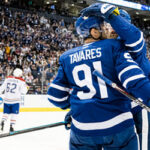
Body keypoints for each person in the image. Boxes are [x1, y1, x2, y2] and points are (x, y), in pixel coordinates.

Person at [47, 14, 150, 150]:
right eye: (106, 26)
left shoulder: (68, 56)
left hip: (136, 108)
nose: (110, 30)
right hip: (120, 118)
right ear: (95, 32)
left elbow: (55, 97)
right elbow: (136, 83)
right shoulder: (113, 46)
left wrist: (79, 109)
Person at [80, 3, 150, 150]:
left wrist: (109, 13)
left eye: (114, 24)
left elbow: (132, 35)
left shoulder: (133, 44)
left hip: (141, 105)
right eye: (108, 25)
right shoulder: (107, 50)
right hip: (120, 111)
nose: (111, 29)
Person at [0, 68, 28, 132]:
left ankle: (3, 120)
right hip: (15, 100)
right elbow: (24, 91)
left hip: (6, 99)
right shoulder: (21, 81)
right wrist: (26, 87)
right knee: (14, 114)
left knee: (6, 113)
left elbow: (2, 88)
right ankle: (11, 127)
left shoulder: (8, 78)